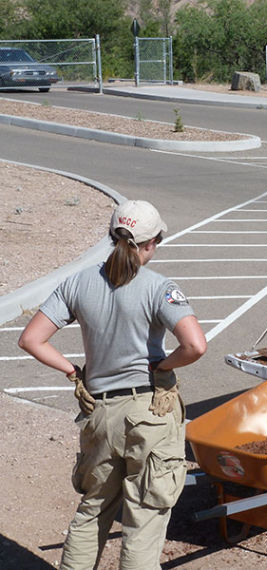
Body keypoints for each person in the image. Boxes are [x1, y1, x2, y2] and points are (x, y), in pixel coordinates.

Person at [18, 200, 207, 569]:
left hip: (100, 414)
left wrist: (74, 373)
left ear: (112, 236)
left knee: (92, 512)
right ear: (151, 243)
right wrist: (162, 366)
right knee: (144, 517)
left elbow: (31, 339)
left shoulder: (78, 283)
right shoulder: (159, 287)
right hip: (149, 412)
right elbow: (195, 345)